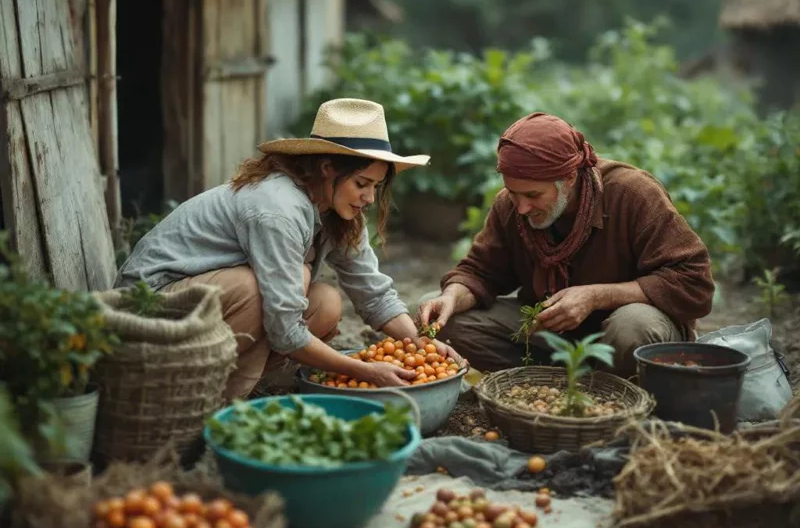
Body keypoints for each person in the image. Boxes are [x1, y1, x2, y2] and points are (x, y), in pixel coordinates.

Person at [116, 98, 454, 399]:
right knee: (267, 287)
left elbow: (374, 294)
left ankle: (240, 384)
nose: (369, 198)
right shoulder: (277, 208)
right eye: (361, 184)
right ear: (326, 169)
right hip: (150, 312)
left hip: (200, 307)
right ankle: (213, 400)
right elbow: (285, 330)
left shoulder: (338, 210)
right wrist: (363, 371)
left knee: (325, 302)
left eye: (376, 187)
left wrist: (421, 343)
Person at [418, 112, 715, 379]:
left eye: (533, 195)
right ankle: (556, 382)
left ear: (570, 177)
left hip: (626, 332)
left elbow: (694, 283)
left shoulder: (632, 195)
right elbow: (481, 272)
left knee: (631, 326)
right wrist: (453, 296)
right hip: (553, 336)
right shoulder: (511, 207)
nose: (521, 207)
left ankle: (617, 392)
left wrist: (596, 297)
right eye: (512, 193)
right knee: (440, 321)